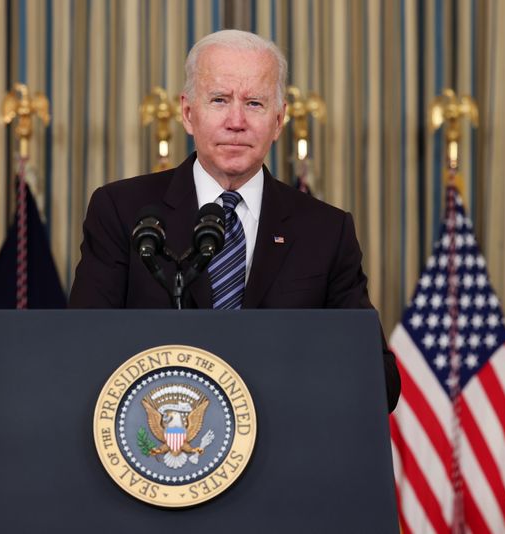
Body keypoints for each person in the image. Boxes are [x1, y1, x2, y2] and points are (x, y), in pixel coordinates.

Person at [69, 29, 400, 412]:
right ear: (188, 113)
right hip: (162, 446)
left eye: (255, 103)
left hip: (285, 449)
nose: (236, 121)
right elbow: (83, 353)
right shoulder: (122, 211)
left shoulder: (326, 231)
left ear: (278, 121)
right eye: (219, 100)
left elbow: (380, 382)